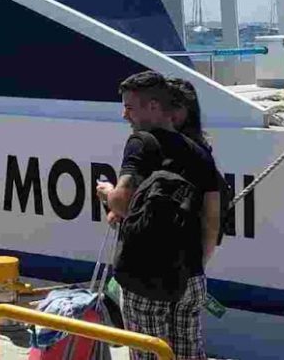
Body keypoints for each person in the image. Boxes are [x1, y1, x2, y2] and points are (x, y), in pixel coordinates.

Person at [95, 71, 221, 360]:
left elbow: (122, 203)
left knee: (150, 355)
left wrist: (106, 193)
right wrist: (197, 266)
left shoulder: (141, 142)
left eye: (129, 106)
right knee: (189, 356)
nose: (123, 114)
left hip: (145, 277)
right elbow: (212, 218)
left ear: (153, 107)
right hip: (189, 277)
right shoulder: (199, 152)